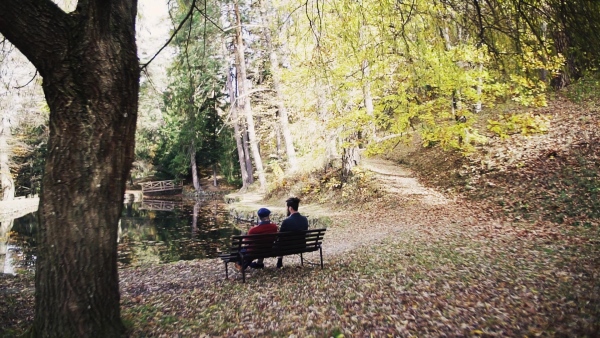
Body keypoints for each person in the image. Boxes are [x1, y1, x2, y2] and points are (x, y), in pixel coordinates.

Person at [276, 197, 309, 268]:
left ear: (290, 208)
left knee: (280, 241)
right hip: (301, 245)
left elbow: (280, 236)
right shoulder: (304, 219)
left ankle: (279, 261)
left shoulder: (286, 221)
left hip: (288, 247)